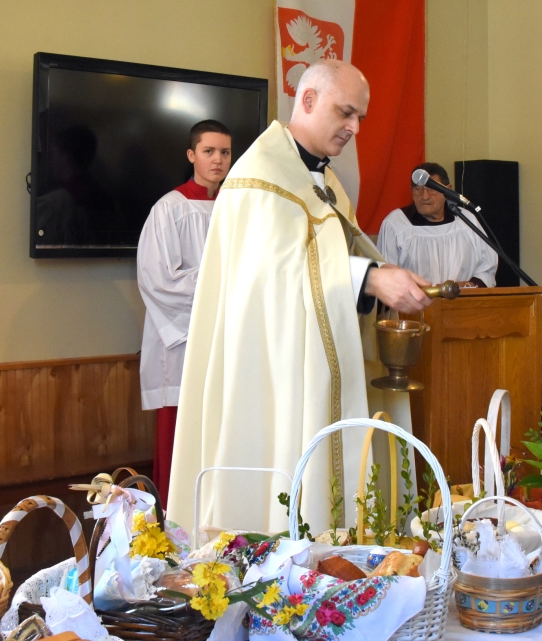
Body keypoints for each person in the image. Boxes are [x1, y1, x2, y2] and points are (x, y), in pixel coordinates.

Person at [167, 60, 434, 533]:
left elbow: (331, 254)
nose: (354, 127)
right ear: (308, 100)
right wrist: (369, 278)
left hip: (317, 364)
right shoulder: (261, 177)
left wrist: (381, 270)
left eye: (361, 118)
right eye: (346, 112)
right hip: (275, 373)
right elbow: (271, 278)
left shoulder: (322, 181)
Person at [136, 120, 232, 505]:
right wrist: (221, 284)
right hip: (183, 342)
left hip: (226, 338)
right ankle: (175, 523)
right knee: (180, 437)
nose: (218, 160)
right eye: (209, 151)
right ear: (192, 155)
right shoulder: (169, 209)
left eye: (225, 152)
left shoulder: (236, 208)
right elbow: (158, 280)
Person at [376, 162, 498, 288]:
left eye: (431, 189)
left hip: (462, 303)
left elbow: (487, 268)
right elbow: (386, 275)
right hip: (416, 304)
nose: (424, 196)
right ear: (411, 191)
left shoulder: (466, 221)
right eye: (418, 189)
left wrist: (467, 285)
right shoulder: (396, 224)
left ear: (447, 190)